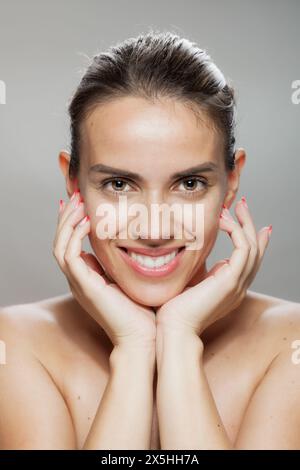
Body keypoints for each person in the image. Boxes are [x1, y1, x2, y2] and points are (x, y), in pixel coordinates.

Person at [0, 29, 300, 451]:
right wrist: (134, 348)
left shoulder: (292, 345)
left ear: (231, 182)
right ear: (74, 183)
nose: (155, 229)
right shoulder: (14, 344)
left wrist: (179, 336)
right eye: (120, 184)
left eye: (190, 183)